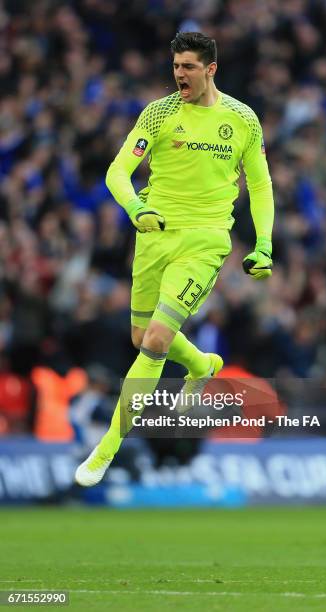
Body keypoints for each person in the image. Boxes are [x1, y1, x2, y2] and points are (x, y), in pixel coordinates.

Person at [75, 32, 274, 486]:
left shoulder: (242, 119)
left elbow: (260, 185)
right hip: (154, 235)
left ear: (211, 69)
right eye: (176, 66)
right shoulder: (160, 112)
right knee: (141, 336)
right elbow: (117, 171)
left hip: (205, 241)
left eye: (188, 66)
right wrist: (137, 208)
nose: (179, 74)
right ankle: (202, 364)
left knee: (157, 342)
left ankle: (104, 451)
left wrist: (264, 243)